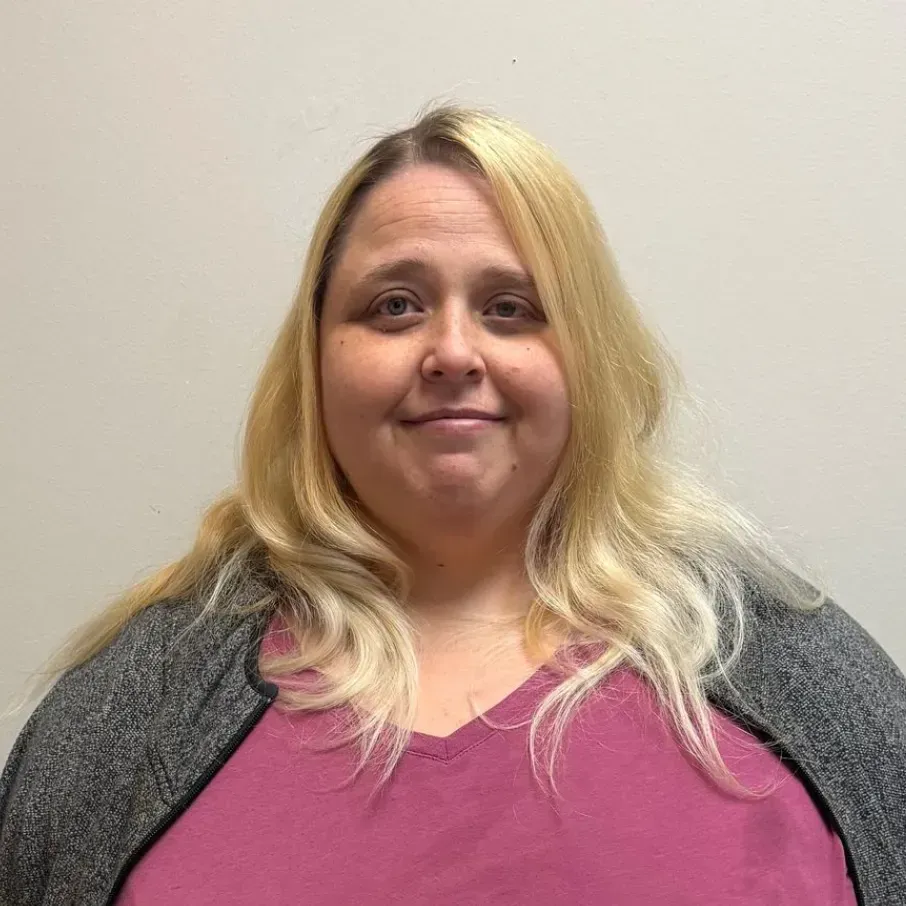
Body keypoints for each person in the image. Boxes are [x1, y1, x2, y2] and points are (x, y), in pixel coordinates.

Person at [1, 104, 903, 906]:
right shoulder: (130, 716)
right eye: (394, 307)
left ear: (589, 353)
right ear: (315, 365)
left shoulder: (798, 680)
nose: (453, 352)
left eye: (512, 308)